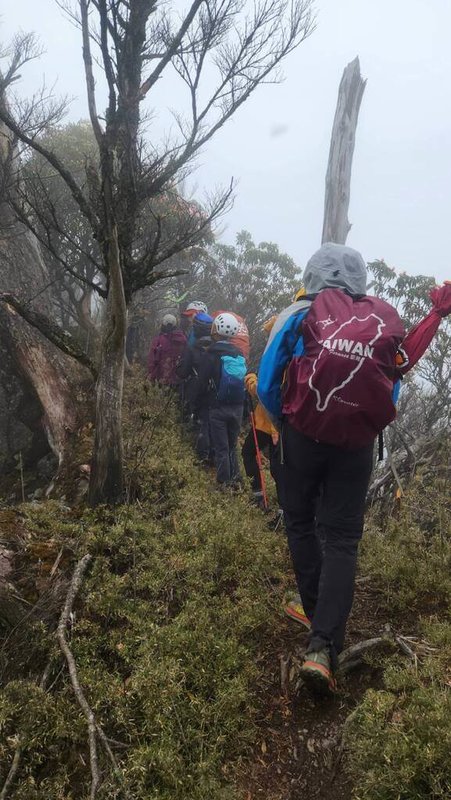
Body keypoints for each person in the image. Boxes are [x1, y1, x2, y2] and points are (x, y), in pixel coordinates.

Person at [258, 243, 406, 695]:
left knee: (301, 524)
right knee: (341, 538)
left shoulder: (295, 313)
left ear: (312, 272)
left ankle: (318, 622)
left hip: (301, 437)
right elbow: (390, 393)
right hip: (356, 447)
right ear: (360, 280)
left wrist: (287, 423)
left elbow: (267, 381)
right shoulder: (375, 322)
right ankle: (323, 644)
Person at [193, 313, 247, 487]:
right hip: (238, 407)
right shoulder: (239, 354)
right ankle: (236, 479)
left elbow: (201, 382)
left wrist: (196, 402)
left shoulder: (212, 353)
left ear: (216, 329)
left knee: (221, 447)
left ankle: (224, 482)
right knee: (232, 445)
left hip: (218, 407)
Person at [177, 312, 214, 462]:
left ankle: (200, 454)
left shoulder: (191, 349)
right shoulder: (216, 349)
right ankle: (212, 453)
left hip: (195, 391)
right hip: (214, 392)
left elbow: (183, 373)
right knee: (209, 421)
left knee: (199, 422)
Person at [147, 314, 187, 387]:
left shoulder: (158, 340)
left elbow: (152, 360)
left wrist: (151, 376)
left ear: (163, 324)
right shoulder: (183, 340)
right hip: (179, 380)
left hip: (161, 379)